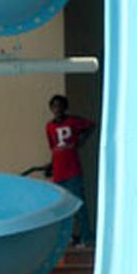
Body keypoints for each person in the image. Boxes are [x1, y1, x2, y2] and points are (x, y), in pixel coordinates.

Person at [45, 94, 95, 246]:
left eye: (60, 105)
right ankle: (67, 237)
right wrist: (52, 166)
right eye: (54, 106)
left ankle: (87, 237)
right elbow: (54, 148)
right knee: (62, 207)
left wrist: (81, 140)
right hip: (59, 172)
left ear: (64, 107)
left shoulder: (72, 121)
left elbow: (91, 125)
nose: (57, 109)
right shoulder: (49, 126)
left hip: (72, 170)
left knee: (79, 204)